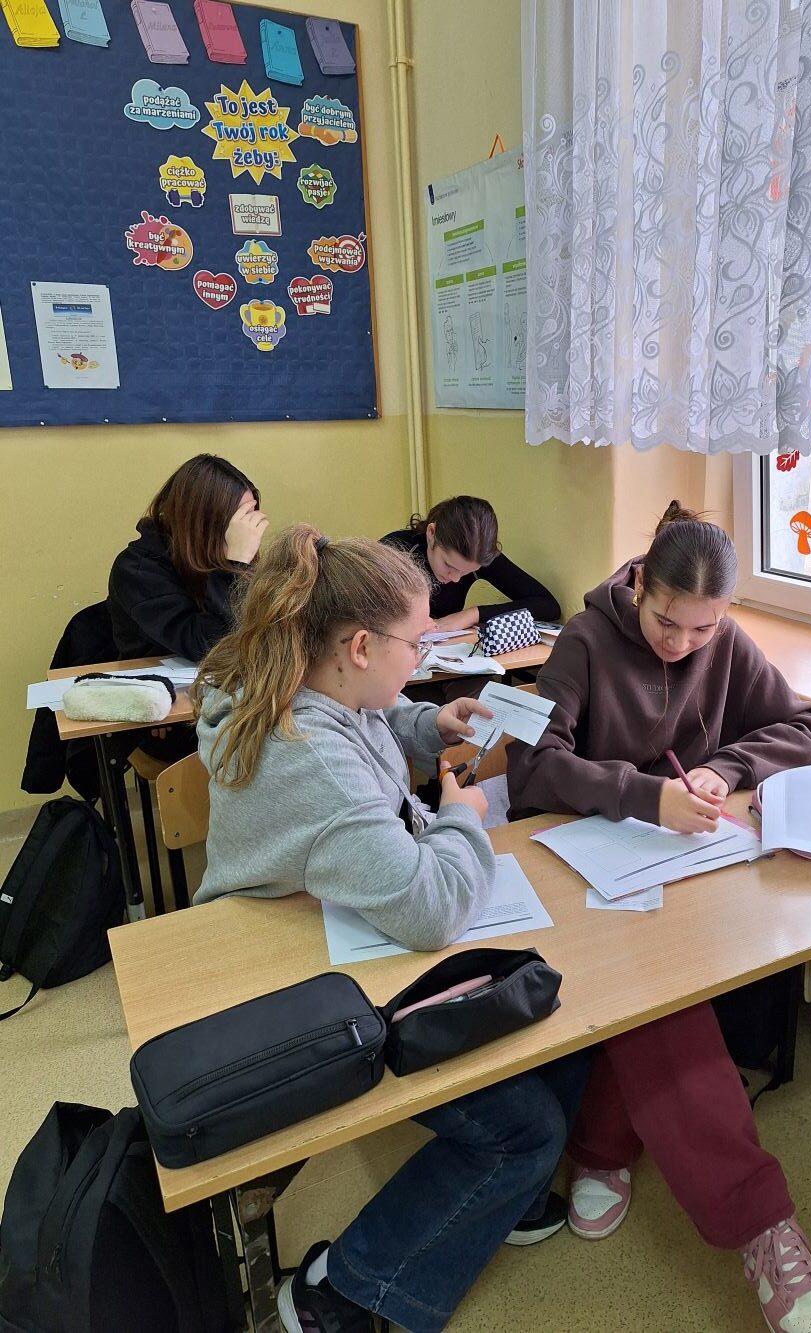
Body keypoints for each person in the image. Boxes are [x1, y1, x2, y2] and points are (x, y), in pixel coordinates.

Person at [191, 528, 587, 1333]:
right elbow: (431, 910)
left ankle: (493, 1200)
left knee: (553, 1017)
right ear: (361, 646)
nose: (425, 654)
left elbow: (372, 719)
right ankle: (337, 1292)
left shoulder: (310, 678)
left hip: (328, 928)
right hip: (282, 980)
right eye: (418, 642)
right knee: (527, 1128)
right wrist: (461, 817)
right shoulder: (311, 760)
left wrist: (428, 723)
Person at [506, 502, 811, 1333]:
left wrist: (725, 768)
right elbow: (530, 768)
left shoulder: (723, 642)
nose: (683, 642)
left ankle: (602, 1143)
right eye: (668, 621)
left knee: (665, 993)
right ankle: (764, 1231)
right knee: (657, 995)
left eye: (704, 628)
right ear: (638, 586)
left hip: (684, 865)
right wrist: (644, 795)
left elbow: (804, 726)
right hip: (581, 863)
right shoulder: (585, 640)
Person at [108, 454, 267, 662]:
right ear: (201, 522)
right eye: (239, 519)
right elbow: (207, 647)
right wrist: (235, 564)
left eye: (251, 516)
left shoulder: (220, 556)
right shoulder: (136, 571)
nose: (248, 531)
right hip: (155, 677)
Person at [382, 496, 560, 632]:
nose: (455, 578)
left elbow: (548, 606)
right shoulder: (394, 552)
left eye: (466, 572)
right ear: (431, 533)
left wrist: (472, 615)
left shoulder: (478, 555)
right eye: (449, 565)